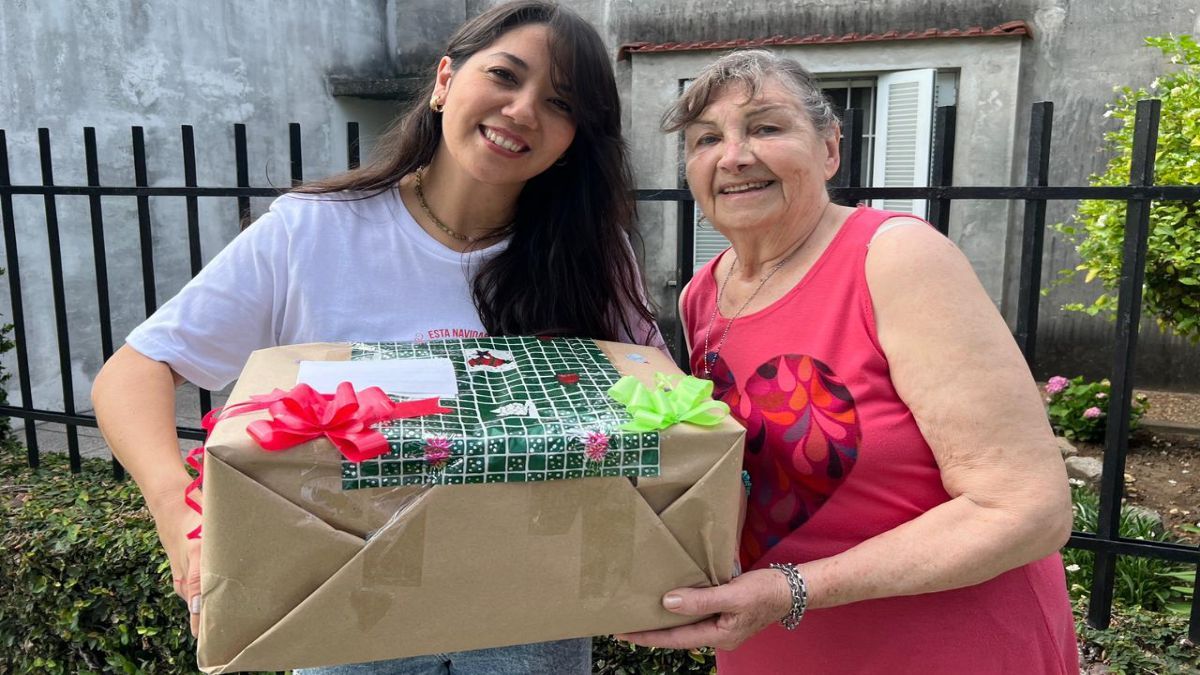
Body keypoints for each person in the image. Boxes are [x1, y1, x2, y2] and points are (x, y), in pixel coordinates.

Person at [91, 2, 664, 673]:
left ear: (576, 139)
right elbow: (135, 370)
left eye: (561, 102)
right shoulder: (311, 232)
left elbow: (660, 406)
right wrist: (178, 514)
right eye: (505, 76)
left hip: (534, 616)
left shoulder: (592, 257)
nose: (523, 110)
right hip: (346, 612)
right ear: (445, 79)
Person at [617, 49, 1078, 674]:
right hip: (772, 641)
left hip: (941, 648)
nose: (733, 156)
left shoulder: (896, 260)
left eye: (766, 127)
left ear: (830, 148)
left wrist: (791, 589)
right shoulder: (707, 290)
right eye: (706, 139)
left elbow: (1026, 510)